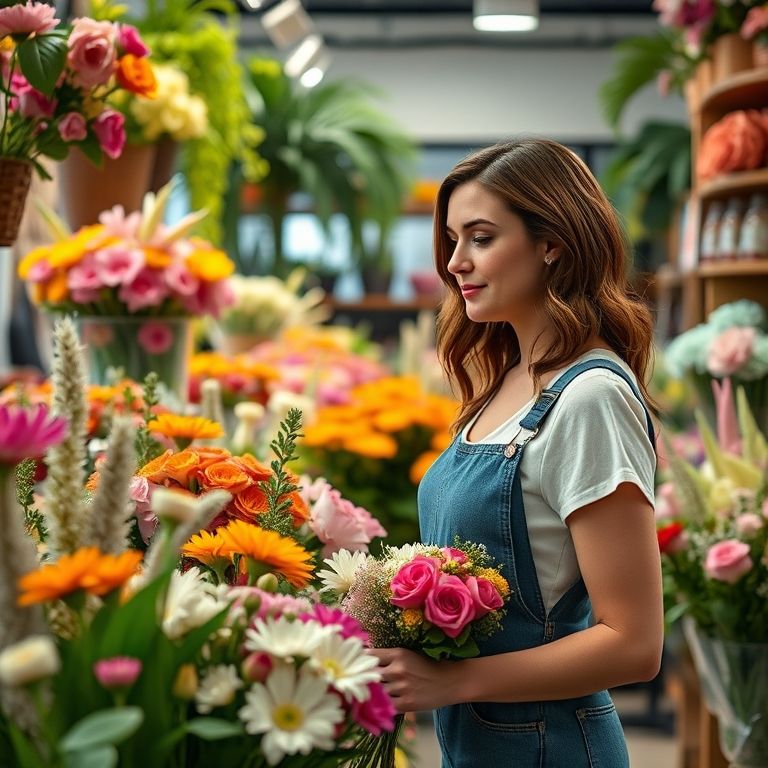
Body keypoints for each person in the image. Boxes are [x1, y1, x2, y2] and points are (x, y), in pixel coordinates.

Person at [372, 138, 663, 767]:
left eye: (481, 238)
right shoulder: (503, 382)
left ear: (551, 243)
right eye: (452, 240)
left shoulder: (590, 398)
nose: (456, 262)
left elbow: (634, 643)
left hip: (549, 748)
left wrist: (453, 681)